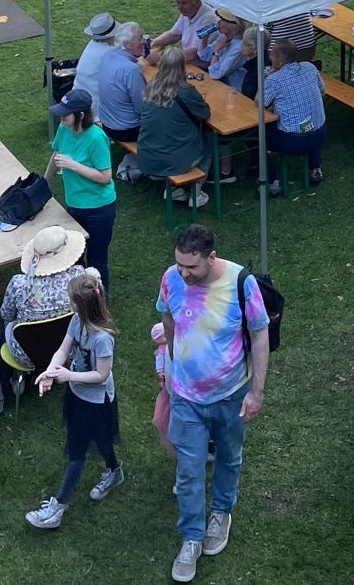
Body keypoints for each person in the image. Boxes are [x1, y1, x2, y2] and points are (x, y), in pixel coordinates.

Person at [158, 224, 272, 583]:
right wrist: (173, 364)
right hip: (186, 398)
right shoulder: (172, 278)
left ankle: (221, 512)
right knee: (188, 471)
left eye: (191, 267)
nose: (183, 273)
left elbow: (259, 332)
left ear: (211, 256)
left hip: (230, 394)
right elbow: (167, 316)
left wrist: (257, 391)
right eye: (179, 264)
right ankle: (192, 537)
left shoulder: (241, 284)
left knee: (229, 456)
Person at [26, 272, 125, 530]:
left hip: (97, 403)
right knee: (100, 440)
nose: (69, 304)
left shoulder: (103, 338)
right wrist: (50, 372)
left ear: (82, 304)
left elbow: (102, 375)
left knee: (77, 453)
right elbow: (63, 350)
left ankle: (56, 509)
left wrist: (69, 375)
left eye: (71, 300)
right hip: (78, 396)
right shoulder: (76, 322)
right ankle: (114, 471)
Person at [48, 88, 117, 286]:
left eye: (65, 113)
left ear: (80, 115)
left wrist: (73, 165)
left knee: (96, 261)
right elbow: (56, 155)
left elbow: (105, 177)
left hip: (99, 208)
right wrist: (45, 181)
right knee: (74, 258)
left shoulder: (96, 138)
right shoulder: (64, 129)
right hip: (74, 205)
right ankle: (80, 302)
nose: (60, 116)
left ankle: (100, 306)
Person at [137, 47, 211, 208]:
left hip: (148, 156)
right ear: (182, 67)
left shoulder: (150, 88)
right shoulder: (185, 91)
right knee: (210, 139)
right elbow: (204, 114)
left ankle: (177, 190)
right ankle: (196, 192)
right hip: (173, 160)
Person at [260, 37, 326, 195]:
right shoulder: (309, 67)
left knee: (257, 138)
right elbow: (322, 91)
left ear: (280, 60)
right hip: (320, 135)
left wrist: (264, 79)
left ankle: (271, 181)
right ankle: (314, 168)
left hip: (292, 141)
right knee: (310, 121)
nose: (270, 58)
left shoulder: (274, 79)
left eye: (272, 56)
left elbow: (260, 102)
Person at [1, 224, 88, 330]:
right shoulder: (79, 275)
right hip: (72, 341)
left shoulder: (18, 284)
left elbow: (7, 315)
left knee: (9, 324)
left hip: (28, 345)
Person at [92, 21, 148, 144]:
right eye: (140, 37)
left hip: (107, 124)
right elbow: (143, 108)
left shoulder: (108, 55)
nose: (144, 41)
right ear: (127, 44)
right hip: (128, 130)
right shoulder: (131, 70)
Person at [150, 0, 217, 66]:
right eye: (178, 3)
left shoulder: (209, 19)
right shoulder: (188, 12)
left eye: (184, 3)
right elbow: (173, 35)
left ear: (197, 2)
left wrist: (162, 57)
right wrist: (152, 43)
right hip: (188, 62)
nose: (179, 7)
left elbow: (194, 53)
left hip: (203, 69)